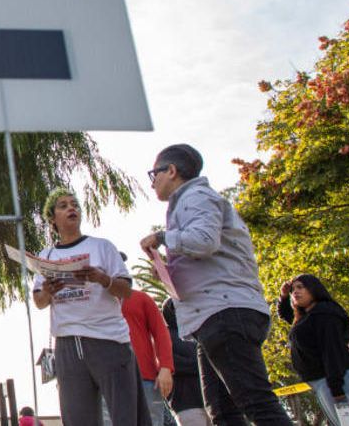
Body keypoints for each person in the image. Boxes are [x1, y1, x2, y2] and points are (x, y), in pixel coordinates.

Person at [140, 144, 291, 426]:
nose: (153, 183)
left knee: (256, 402)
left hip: (224, 311)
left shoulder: (196, 197)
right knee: (222, 410)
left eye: (154, 174)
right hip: (209, 317)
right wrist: (166, 271)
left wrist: (162, 237)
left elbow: (204, 240)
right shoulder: (187, 203)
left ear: (171, 171)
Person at [33, 188, 150, 426]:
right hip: (67, 344)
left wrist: (102, 278)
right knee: (77, 418)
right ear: (52, 219)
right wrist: (48, 291)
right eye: (63, 206)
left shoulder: (102, 247)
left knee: (126, 416)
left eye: (74, 204)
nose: (71, 208)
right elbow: (39, 302)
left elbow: (126, 291)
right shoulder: (46, 255)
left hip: (107, 340)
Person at [277, 275, 349, 426]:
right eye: (293, 289)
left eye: (300, 287)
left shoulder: (324, 314)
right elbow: (286, 315)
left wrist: (337, 389)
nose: (295, 292)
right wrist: (284, 296)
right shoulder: (308, 316)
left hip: (337, 380)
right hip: (327, 382)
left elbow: (332, 351)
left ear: (314, 288)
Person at [119, 253, 175, 426]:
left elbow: (161, 332)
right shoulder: (96, 304)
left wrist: (166, 367)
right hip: (109, 380)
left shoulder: (141, 299)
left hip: (146, 378)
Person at [162, 298, 210, 426]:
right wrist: (202, 365)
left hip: (211, 399)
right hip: (186, 403)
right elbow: (171, 364)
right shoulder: (164, 335)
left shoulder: (197, 332)